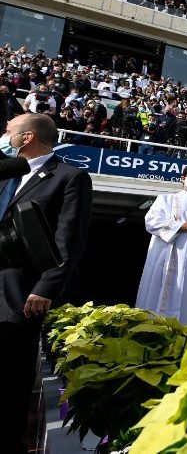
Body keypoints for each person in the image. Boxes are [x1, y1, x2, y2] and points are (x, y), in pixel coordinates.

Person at [0, 114, 92, 453]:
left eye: (8, 131)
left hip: (22, 290)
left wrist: (45, 287)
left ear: (27, 138)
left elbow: (69, 238)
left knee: (9, 371)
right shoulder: (5, 172)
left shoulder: (69, 177)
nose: (4, 136)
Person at [135, 164, 187, 325]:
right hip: (167, 257)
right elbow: (151, 222)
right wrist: (184, 226)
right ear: (183, 178)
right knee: (162, 294)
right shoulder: (166, 199)